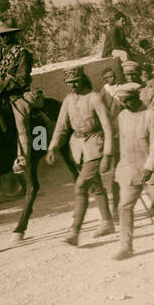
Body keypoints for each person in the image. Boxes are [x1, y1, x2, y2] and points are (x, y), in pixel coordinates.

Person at [47, 66, 116, 245]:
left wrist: (108, 154)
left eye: (76, 81)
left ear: (83, 79)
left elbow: (108, 127)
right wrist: (52, 147)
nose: (73, 85)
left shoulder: (95, 98)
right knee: (95, 187)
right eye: (69, 83)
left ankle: (74, 232)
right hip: (77, 148)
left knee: (80, 186)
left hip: (95, 145)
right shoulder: (68, 100)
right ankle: (107, 222)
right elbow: (61, 127)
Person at [109, 83, 154, 260]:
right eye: (122, 101)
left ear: (136, 98)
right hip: (129, 169)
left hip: (149, 168)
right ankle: (126, 246)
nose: (125, 104)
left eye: (128, 101)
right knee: (124, 206)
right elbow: (122, 144)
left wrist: (151, 166)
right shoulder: (122, 116)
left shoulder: (151, 115)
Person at [0, 21, 35, 173]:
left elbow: (22, 78)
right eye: (1, 35)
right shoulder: (0, 51)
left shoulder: (22, 52)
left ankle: (23, 158)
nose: (4, 38)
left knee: (20, 121)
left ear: (14, 34)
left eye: (7, 35)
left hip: (16, 94)